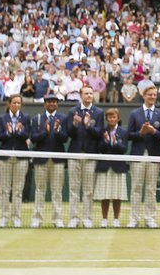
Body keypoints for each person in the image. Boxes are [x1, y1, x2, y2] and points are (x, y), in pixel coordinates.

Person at [126, 81, 160, 228]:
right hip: (138, 154)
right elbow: (129, 135)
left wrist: (154, 132)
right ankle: (134, 219)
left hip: (154, 155)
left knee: (151, 188)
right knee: (136, 188)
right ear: (144, 96)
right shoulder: (134, 114)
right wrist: (141, 133)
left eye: (155, 95)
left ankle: (150, 218)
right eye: (150, 95)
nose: (152, 97)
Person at [66, 85, 104, 228]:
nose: (89, 95)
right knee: (74, 189)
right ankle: (73, 218)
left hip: (90, 155)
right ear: (81, 95)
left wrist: (88, 126)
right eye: (86, 93)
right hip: (75, 154)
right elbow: (69, 134)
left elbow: (99, 133)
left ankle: (87, 218)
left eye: (90, 93)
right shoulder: (72, 111)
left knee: (88, 190)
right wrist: (75, 124)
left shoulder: (98, 112)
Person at [30, 93, 67, 228]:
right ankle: (37, 219)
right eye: (49, 102)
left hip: (57, 159)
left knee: (57, 191)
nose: (52, 104)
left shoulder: (63, 118)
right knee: (40, 190)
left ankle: (57, 219)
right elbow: (33, 138)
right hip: (41, 159)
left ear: (57, 104)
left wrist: (57, 131)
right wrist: (44, 132)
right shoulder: (37, 119)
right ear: (45, 104)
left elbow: (65, 138)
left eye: (54, 102)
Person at [0, 94, 31, 228]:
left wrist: (18, 132)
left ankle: (16, 217)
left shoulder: (25, 118)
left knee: (18, 190)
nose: (16, 105)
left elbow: (27, 135)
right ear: (9, 103)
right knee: (4, 190)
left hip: (21, 158)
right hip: (5, 157)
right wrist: (8, 133)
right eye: (14, 103)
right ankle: (4, 217)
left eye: (19, 103)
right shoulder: (2, 118)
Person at [96, 107, 129, 227]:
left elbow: (124, 149)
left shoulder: (123, 132)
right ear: (106, 119)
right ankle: (104, 219)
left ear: (118, 118)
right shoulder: (102, 131)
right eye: (109, 117)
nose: (111, 119)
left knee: (117, 195)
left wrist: (115, 142)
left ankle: (116, 219)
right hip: (104, 166)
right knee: (104, 195)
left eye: (114, 117)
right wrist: (106, 141)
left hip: (118, 167)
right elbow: (100, 148)